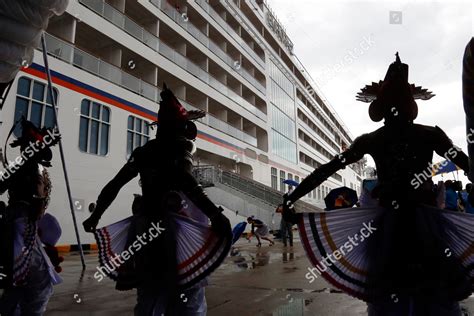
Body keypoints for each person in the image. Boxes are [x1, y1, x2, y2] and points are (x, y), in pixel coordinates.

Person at [280, 53, 473, 315]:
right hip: (426, 224)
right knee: (435, 291)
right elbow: (466, 164)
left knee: (388, 293)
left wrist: (293, 197)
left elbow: (327, 169)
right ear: (410, 105)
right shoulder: (429, 135)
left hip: (388, 225)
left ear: (381, 106)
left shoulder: (373, 139)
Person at [83, 86, 231, 316]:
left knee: (149, 296)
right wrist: (214, 214)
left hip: (144, 229)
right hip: (175, 231)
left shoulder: (144, 152)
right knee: (188, 297)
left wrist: (96, 215)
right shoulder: (180, 149)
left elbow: (114, 185)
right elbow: (187, 183)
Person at [0, 119, 62, 316]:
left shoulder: (18, 166)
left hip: (13, 224)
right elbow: (36, 201)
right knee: (40, 284)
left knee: (17, 283)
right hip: (23, 228)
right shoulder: (31, 167)